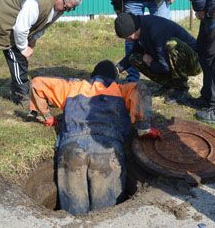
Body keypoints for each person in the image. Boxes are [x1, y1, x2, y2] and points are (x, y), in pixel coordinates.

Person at [28, 60, 160, 215]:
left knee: (73, 215)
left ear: (93, 76)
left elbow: (36, 83)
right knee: (105, 216)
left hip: (71, 148)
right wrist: (143, 126)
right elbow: (142, 89)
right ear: (115, 78)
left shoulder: (73, 86)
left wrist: (47, 116)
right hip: (107, 150)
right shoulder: (121, 89)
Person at [0, 0, 82, 106]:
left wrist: (34, 38)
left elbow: (45, 22)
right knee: (17, 55)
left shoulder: (58, 3)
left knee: (21, 55)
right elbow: (20, 28)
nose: (66, 11)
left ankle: (20, 86)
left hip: (19, 20)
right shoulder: (37, 2)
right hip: (1, 14)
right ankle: (21, 95)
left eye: (71, 9)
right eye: (67, 7)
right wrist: (24, 48)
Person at [114, 12, 201, 104]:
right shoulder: (139, 28)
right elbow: (134, 52)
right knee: (134, 58)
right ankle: (169, 85)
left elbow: (164, 66)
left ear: (132, 31)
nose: (127, 40)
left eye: (126, 37)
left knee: (172, 45)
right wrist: (116, 69)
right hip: (168, 62)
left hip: (194, 62)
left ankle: (181, 89)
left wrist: (150, 63)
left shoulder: (155, 29)